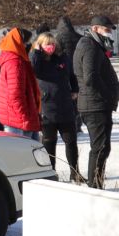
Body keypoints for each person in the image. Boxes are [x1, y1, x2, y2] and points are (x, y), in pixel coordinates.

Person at [73, 14, 119, 189]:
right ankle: (95, 186)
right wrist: (108, 95)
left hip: (96, 104)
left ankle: (97, 184)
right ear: (95, 29)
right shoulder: (90, 46)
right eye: (106, 30)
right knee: (100, 148)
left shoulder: (93, 45)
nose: (109, 33)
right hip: (95, 105)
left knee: (102, 148)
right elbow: (90, 77)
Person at [30, 30, 81, 183]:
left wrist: (74, 89)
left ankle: (75, 173)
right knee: (49, 143)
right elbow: (33, 69)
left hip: (65, 106)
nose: (50, 47)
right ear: (40, 45)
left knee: (71, 142)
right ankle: (51, 174)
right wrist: (37, 53)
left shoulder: (62, 58)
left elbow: (72, 75)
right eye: (47, 44)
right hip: (47, 108)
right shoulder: (37, 60)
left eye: (52, 44)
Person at [0, 27, 41, 138]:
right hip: (20, 119)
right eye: (26, 42)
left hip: (21, 116)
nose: (28, 45)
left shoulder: (16, 60)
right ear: (19, 43)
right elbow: (15, 94)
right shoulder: (15, 63)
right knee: (26, 153)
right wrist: (24, 116)